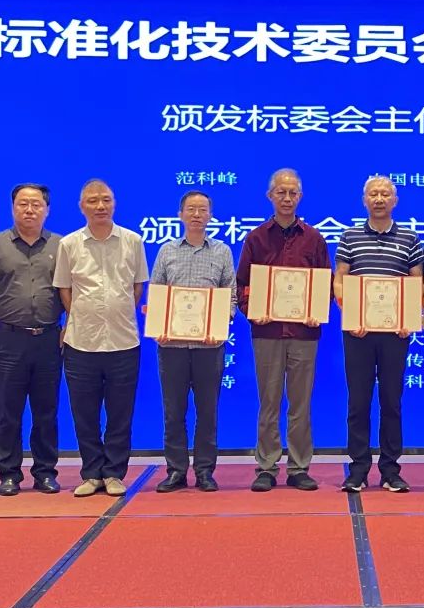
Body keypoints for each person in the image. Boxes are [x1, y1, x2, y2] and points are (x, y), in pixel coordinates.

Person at [53, 179, 149, 498]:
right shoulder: (69, 244)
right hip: (81, 342)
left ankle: (114, 473)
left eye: (106, 199)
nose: (100, 206)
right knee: (85, 413)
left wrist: (116, 312)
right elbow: (65, 289)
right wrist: (84, 316)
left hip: (124, 341)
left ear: (114, 203)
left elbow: (137, 287)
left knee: (120, 414)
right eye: (93, 201)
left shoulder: (133, 241)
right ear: (81, 206)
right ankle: (92, 472)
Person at [237, 168, 331, 492]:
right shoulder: (256, 238)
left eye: (293, 193)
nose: (287, 198)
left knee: (301, 404)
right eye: (281, 192)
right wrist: (254, 311)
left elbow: (325, 284)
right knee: (269, 403)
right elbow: (242, 285)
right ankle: (266, 466)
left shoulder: (314, 238)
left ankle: (299, 466)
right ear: (270, 196)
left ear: (300, 197)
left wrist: (317, 311)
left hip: (304, 334)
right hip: (267, 333)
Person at [0, 184, 64, 496]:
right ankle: (9, 474)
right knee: (9, 412)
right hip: (8, 339)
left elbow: (71, 290)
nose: (29, 210)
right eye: (23, 204)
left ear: (47, 210)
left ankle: (45, 472)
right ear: (13, 208)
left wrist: (70, 325)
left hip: (49, 339)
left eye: (36, 204)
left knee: (46, 411)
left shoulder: (61, 246)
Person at [333, 176, 423, 493]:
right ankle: (358, 469)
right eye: (374, 194)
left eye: (385, 194)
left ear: (394, 200)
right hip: (358, 333)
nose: (380, 199)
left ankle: (390, 470)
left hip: (395, 333)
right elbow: (340, 280)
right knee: (358, 403)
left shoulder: (410, 238)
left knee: (391, 402)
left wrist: (409, 316)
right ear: (365, 200)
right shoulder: (350, 237)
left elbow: (416, 282)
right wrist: (350, 312)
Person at [150, 191, 237, 493]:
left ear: (210, 215)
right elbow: (156, 293)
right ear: (180, 214)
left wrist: (220, 323)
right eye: (191, 209)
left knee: (207, 411)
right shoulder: (167, 251)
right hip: (171, 346)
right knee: (173, 411)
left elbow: (231, 295)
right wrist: (158, 323)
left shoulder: (222, 252)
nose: (197, 214)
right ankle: (175, 470)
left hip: (209, 347)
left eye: (202, 209)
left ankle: (204, 471)